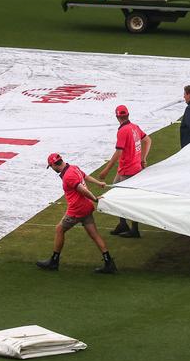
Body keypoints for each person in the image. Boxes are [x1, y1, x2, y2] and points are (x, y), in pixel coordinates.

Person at [37, 153, 117, 274]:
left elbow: (82, 190)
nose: (52, 169)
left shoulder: (68, 176)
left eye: (51, 166)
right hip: (86, 207)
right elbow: (85, 177)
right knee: (94, 235)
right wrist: (98, 183)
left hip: (77, 210)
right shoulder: (73, 168)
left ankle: (54, 261)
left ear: (53, 164)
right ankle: (109, 262)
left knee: (59, 229)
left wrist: (95, 199)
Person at [99, 105, 151, 238]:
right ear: (128, 115)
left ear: (117, 117)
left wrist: (106, 170)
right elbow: (147, 140)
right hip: (132, 168)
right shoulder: (134, 127)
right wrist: (143, 159)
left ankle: (134, 229)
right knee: (116, 196)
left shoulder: (123, 131)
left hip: (127, 170)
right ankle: (123, 224)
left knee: (124, 199)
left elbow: (119, 152)